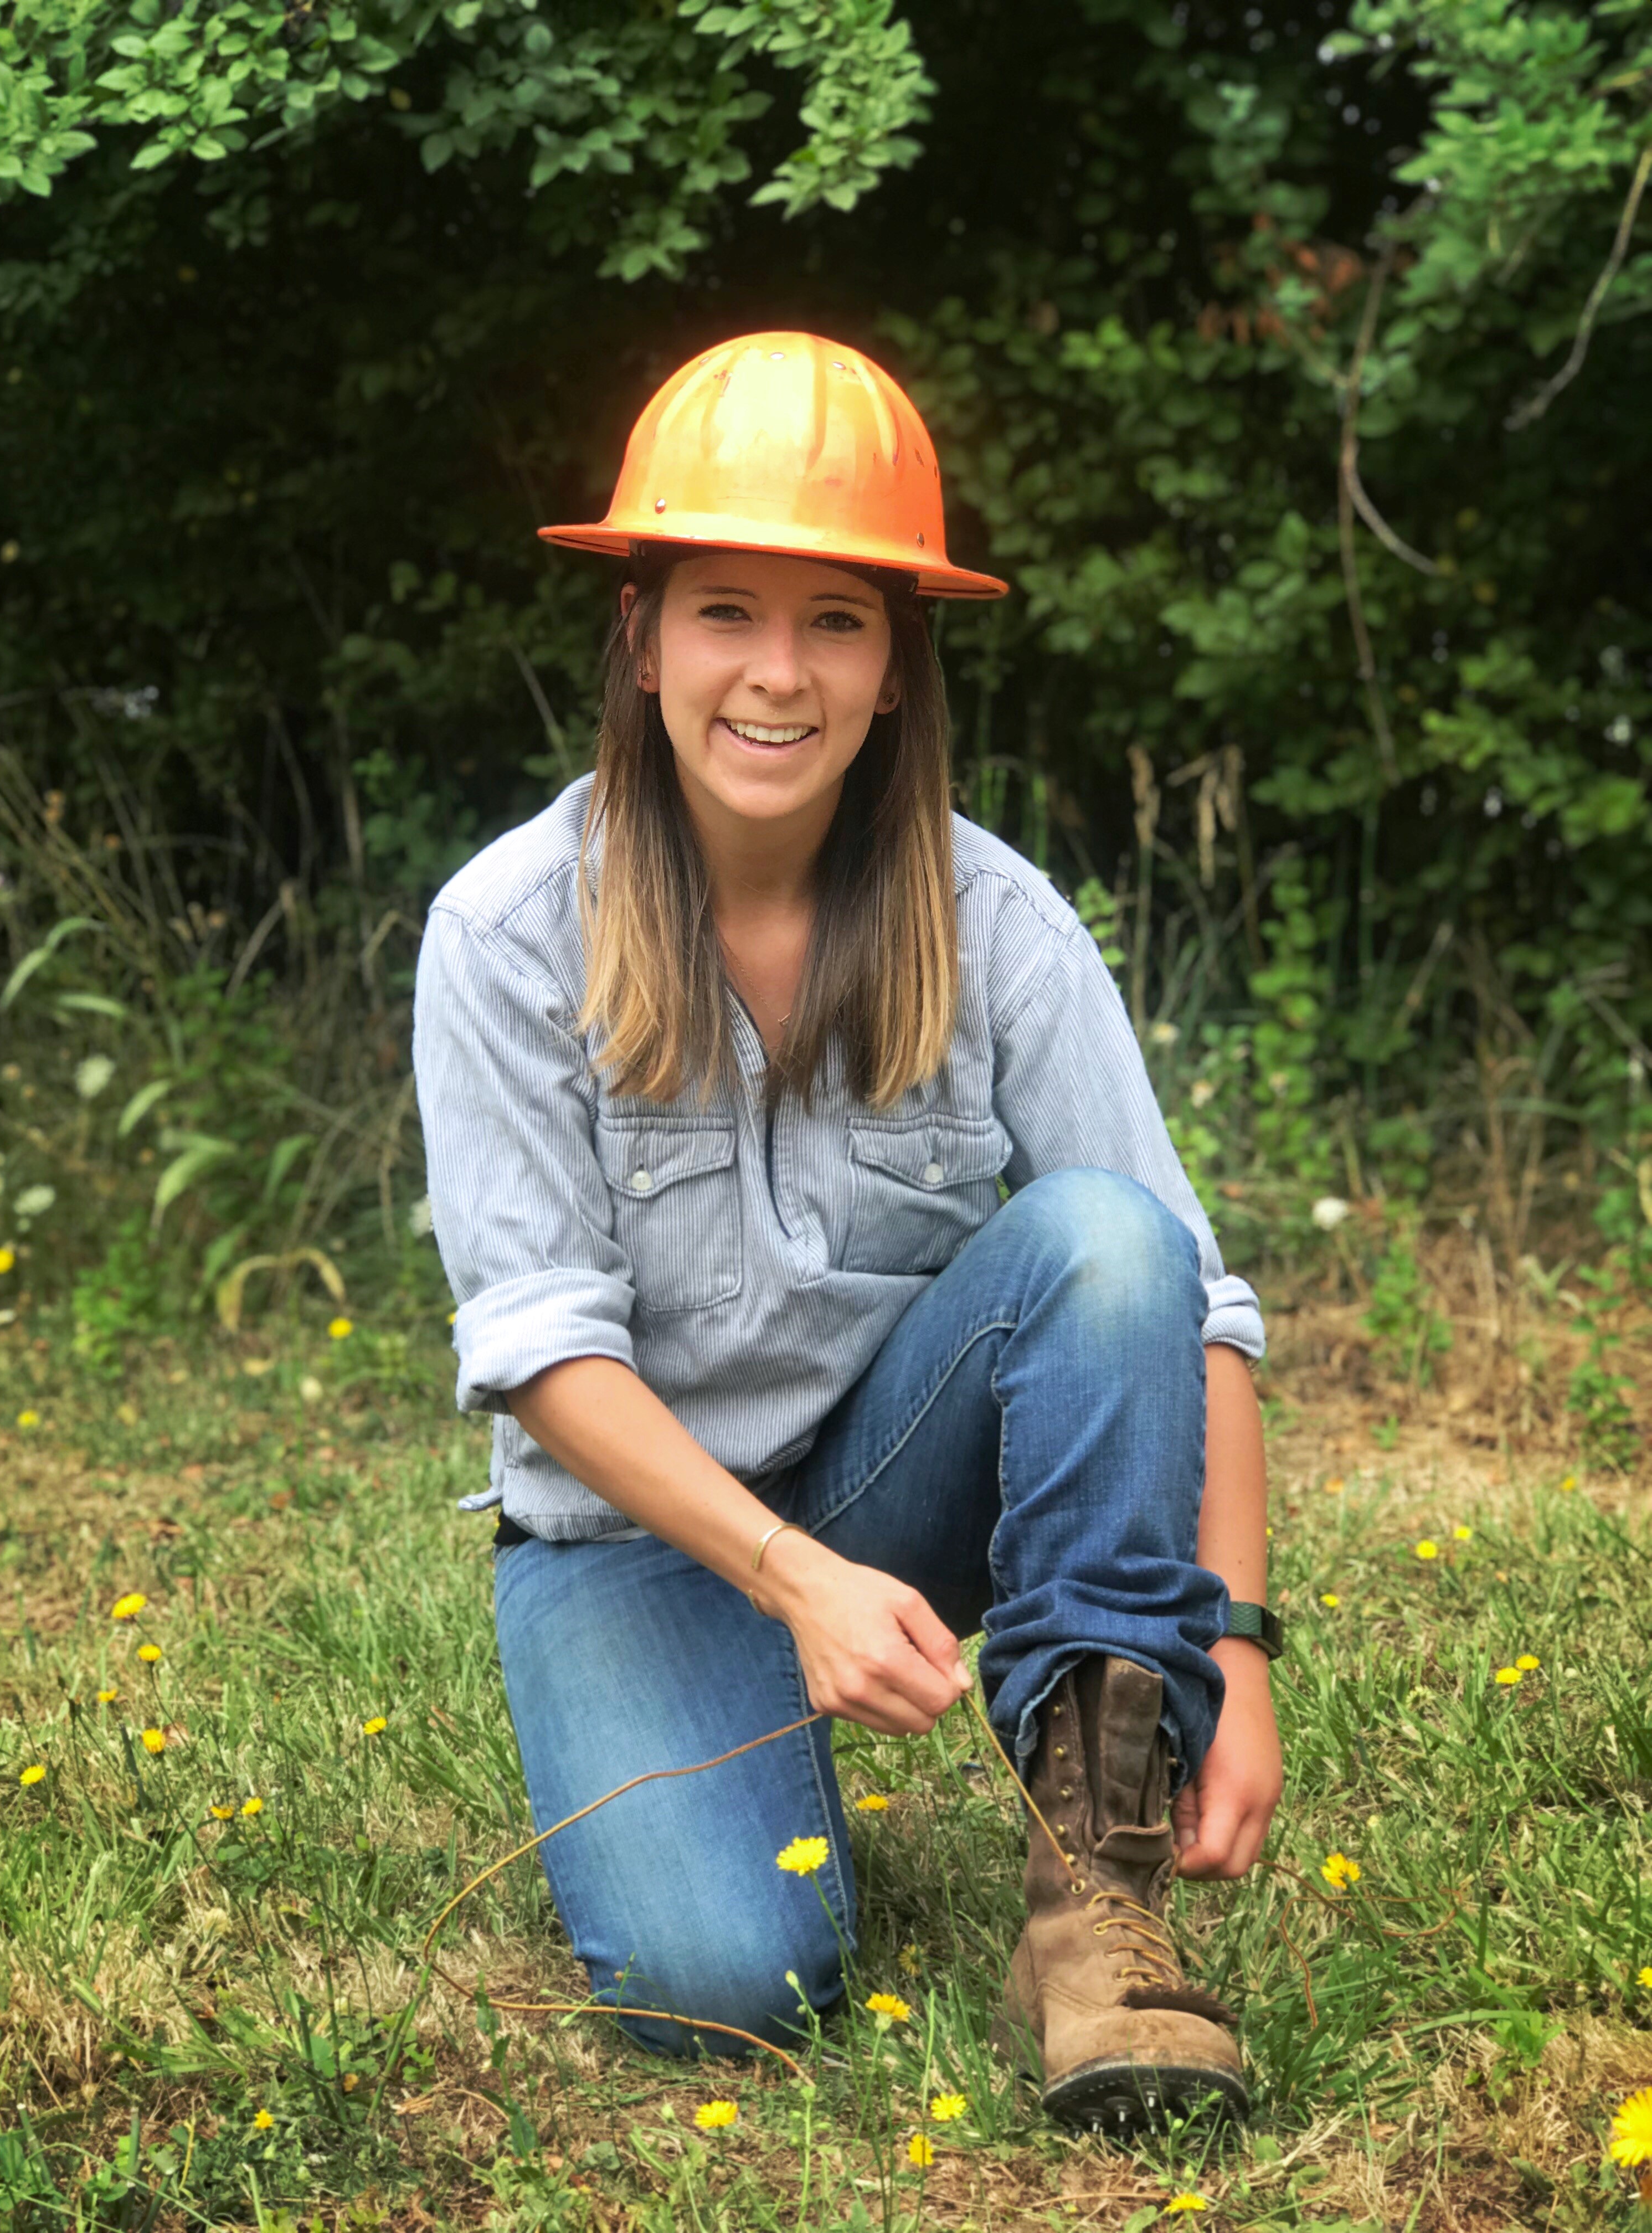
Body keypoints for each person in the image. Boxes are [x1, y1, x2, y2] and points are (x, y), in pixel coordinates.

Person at [413, 331, 1284, 2135]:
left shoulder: (998, 920)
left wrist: (1244, 1657)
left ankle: (1096, 1894)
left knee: (1105, 1236)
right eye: (727, 609)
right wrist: (789, 1583)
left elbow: (1196, 1306)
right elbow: (540, 1350)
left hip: (895, 1488)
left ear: (897, 668)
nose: (777, 675)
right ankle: (717, 1738)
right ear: (643, 637)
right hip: (638, 1545)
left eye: (838, 622)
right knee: (731, 1995)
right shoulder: (505, 930)